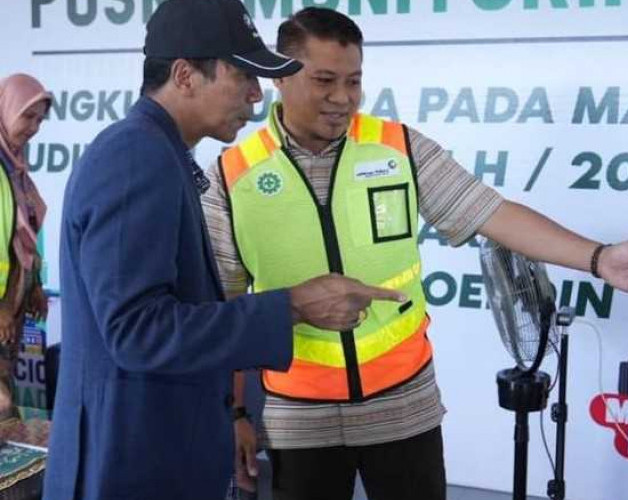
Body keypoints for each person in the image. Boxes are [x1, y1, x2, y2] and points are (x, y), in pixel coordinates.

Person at [202, 7, 628, 500]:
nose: (342, 98)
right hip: (297, 416)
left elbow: (492, 214)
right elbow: (224, 311)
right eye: (325, 80)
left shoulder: (398, 147)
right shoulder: (232, 176)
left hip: (405, 406)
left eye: (354, 81)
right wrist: (234, 413)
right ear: (282, 79)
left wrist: (600, 258)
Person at [42, 2, 404, 500]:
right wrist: (293, 305)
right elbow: (136, 331)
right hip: (132, 469)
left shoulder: (161, 155)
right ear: (186, 75)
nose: (257, 96)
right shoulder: (135, 158)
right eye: (243, 77)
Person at [0, 74, 50, 421]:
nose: (33, 127)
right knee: (2, 406)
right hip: (2, 309)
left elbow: (25, 235)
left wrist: (34, 285)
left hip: (13, 308)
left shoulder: (15, 168)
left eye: (39, 119)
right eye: (27, 116)